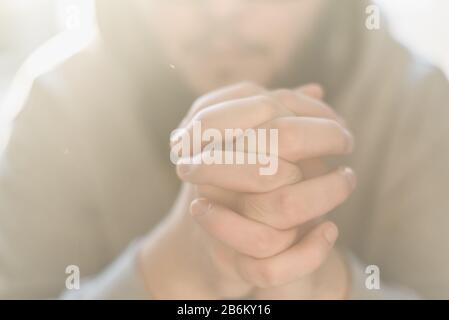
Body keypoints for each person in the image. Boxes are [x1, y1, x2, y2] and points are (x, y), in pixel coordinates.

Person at [0, 0, 448, 299]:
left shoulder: (420, 103)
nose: (221, 9)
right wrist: (172, 271)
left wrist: (327, 285)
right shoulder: (56, 104)